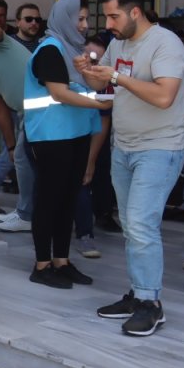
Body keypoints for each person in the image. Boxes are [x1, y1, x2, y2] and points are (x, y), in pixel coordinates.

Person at [77, 0, 184, 337]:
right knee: (130, 224)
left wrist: (114, 75)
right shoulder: (118, 43)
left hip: (160, 147)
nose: (107, 23)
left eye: (114, 16)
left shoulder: (165, 43)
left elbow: (165, 96)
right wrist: (88, 72)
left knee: (140, 223)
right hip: (123, 145)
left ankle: (150, 303)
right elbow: (108, 90)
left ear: (135, 12)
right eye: (106, 15)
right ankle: (139, 292)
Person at [21, 0, 109, 289]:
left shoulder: (76, 51)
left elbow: (94, 86)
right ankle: (42, 264)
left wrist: (94, 75)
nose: (85, 25)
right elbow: (58, 93)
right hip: (50, 138)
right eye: (80, 19)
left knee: (69, 199)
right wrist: (102, 105)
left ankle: (62, 260)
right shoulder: (50, 50)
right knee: (49, 201)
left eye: (86, 19)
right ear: (64, 19)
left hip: (77, 134)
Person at [0, 0, 34, 230]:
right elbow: (1, 110)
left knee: (27, 161)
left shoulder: (1, 41)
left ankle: (27, 214)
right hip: (25, 114)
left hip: (43, 109)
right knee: (19, 158)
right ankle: (25, 212)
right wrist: (11, 146)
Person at [73, 33, 114, 259]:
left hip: (89, 138)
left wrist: (90, 161)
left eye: (98, 62)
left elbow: (103, 120)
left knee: (84, 181)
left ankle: (85, 234)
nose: (92, 66)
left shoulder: (104, 84)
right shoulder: (66, 75)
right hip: (61, 136)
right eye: (89, 59)